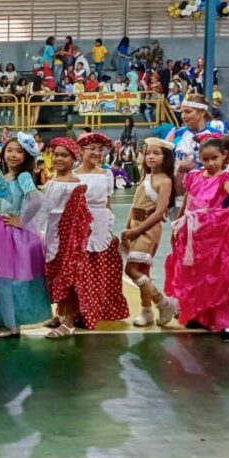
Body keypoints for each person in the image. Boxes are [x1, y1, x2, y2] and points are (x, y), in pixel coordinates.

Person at [164, 135, 229, 340]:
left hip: (217, 236)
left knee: (220, 278)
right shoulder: (194, 176)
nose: (211, 163)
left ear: (224, 156)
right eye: (206, 159)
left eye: (214, 158)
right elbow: (188, 200)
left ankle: (225, 321)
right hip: (194, 234)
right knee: (195, 277)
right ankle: (198, 314)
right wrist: (177, 224)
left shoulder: (227, 178)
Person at [0, 133, 50, 337]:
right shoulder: (4, 177)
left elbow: (36, 200)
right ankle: (5, 321)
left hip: (10, 233)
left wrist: (21, 220)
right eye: (10, 150)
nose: (13, 155)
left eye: (19, 151)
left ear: (27, 156)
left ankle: (12, 325)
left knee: (9, 279)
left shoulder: (23, 176)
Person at [66, 133, 129, 329]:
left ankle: (97, 309)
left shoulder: (107, 174)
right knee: (80, 272)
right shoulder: (73, 175)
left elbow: (107, 203)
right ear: (81, 150)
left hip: (101, 226)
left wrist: (110, 230)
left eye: (99, 149)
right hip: (80, 227)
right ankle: (78, 311)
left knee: (99, 271)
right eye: (91, 148)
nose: (96, 153)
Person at [123, 138, 176, 327]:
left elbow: (160, 212)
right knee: (142, 270)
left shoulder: (165, 181)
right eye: (148, 153)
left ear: (166, 157)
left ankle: (163, 303)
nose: (151, 157)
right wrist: (128, 225)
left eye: (156, 153)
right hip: (136, 226)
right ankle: (146, 311)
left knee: (131, 269)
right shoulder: (145, 176)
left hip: (148, 229)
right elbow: (135, 204)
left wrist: (137, 230)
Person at [41, 137, 89, 337]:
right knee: (55, 274)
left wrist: (70, 241)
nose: (59, 159)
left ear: (73, 158)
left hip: (66, 236)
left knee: (67, 277)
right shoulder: (52, 179)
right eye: (56, 155)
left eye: (64, 155)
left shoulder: (74, 183)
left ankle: (69, 322)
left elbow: (76, 215)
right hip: (51, 233)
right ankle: (60, 314)